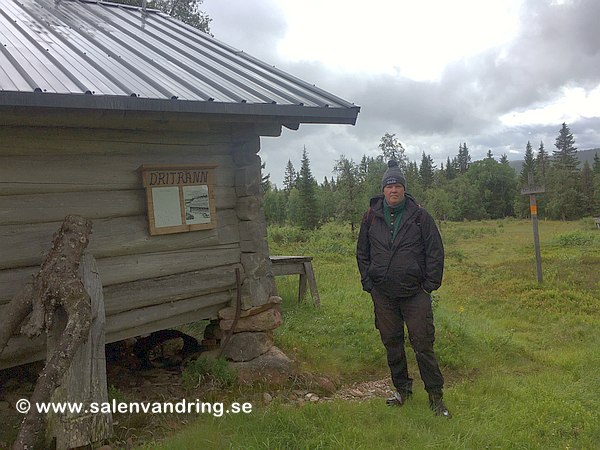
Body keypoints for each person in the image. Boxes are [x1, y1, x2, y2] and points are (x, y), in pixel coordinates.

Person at [356, 160, 450, 417]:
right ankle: (402, 390)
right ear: (383, 190)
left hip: (415, 294)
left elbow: (435, 251)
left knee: (423, 343)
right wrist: (369, 283)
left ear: (404, 189)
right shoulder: (370, 217)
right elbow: (362, 252)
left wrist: (429, 286)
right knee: (392, 343)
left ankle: (435, 396)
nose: (393, 190)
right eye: (389, 186)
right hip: (383, 294)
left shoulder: (420, 216)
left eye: (398, 185)